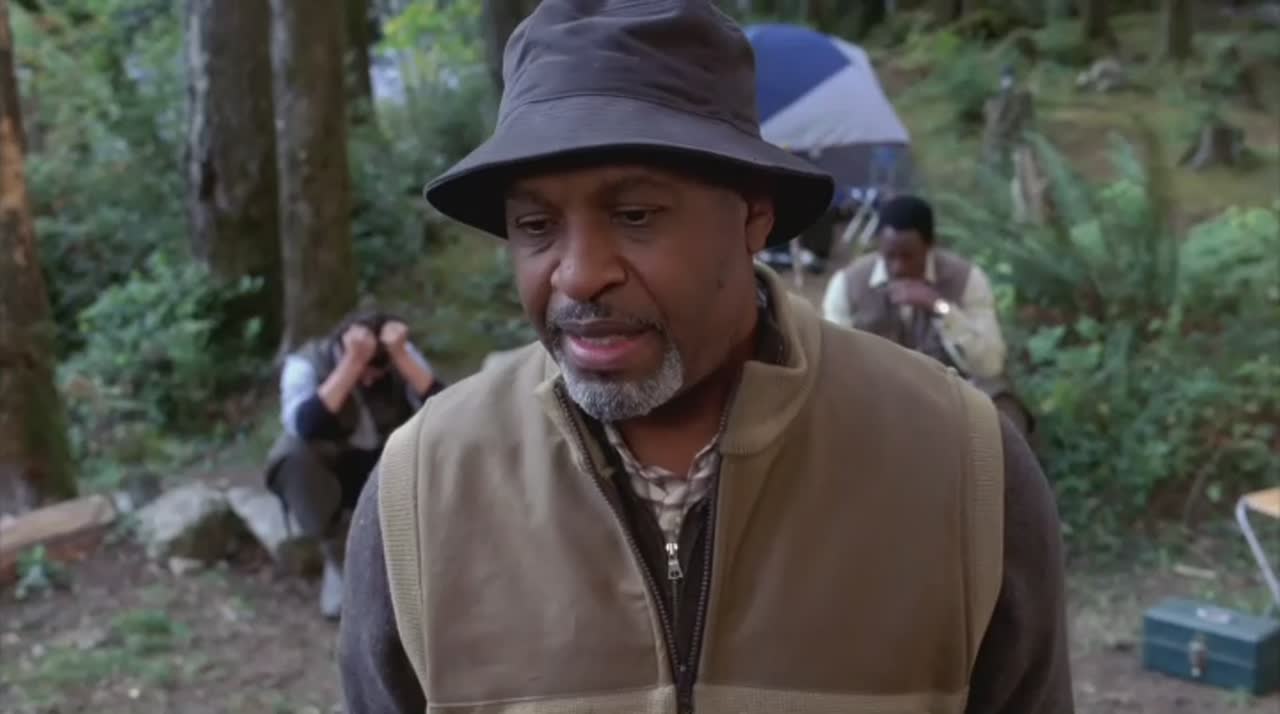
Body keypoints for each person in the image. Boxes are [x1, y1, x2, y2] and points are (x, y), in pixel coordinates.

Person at [339, 2, 1073, 713]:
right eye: (535, 225)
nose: (579, 275)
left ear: (754, 217)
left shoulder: (958, 465)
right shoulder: (423, 493)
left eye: (635, 215)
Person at [262, 308, 444, 619]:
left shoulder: (401, 354)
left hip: (390, 463)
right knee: (292, 455)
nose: (370, 380)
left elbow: (445, 409)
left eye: (377, 373)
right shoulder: (305, 364)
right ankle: (344, 565)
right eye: (367, 372)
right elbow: (304, 425)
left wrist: (401, 356)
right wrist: (353, 364)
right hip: (336, 471)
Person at [823, 195, 1035, 437]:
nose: (898, 267)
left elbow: (989, 364)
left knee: (1006, 414)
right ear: (879, 244)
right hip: (875, 400)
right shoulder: (847, 285)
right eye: (890, 256)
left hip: (953, 400)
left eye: (908, 256)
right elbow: (833, 366)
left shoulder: (966, 279)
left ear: (930, 245)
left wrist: (939, 307)